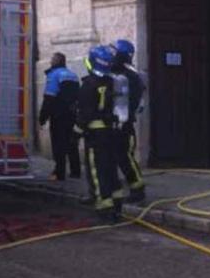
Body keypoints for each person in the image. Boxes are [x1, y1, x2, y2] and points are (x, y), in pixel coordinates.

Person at [77, 45, 124, 222]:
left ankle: (105, 210)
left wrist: (76, 132)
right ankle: (117, 205)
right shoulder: (111, 82)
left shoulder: (88, 85)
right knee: (111, 169)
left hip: (95, 136)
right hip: (110, 132)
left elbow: (86, 113)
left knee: (97, 172)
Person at [109, 39, 147, 203]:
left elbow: (130, 101)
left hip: (123, 124)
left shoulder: (129, 75)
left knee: (125, 158)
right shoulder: (116, 72)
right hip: (113, 123)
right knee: (114, 157)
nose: (111, 55)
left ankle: (137, 189)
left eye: (114, 52)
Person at [39, 52, 81, 180]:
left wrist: (42, 117)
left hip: (58, 115)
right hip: (71, 114)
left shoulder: (54, 75)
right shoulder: (73, 75)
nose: (51, 61)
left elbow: (49, 97)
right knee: (72, 144)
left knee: (58, 145)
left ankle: (59, 172)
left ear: (58, 61)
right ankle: (76, 171)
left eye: (52, 59)